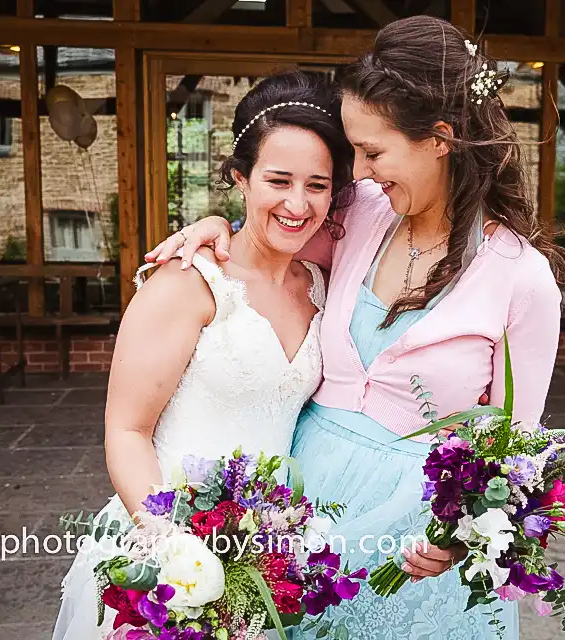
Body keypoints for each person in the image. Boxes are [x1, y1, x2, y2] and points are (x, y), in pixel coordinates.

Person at [146, 15, 565, 639]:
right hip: (306, 508)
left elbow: (515, 451)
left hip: (416, 545)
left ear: (441, 139)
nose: (361, 171)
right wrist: (212, 226)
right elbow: (265, 243)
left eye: (372, 152)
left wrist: (459, 541)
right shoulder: (360, 215)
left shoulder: (520, 277)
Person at [51, 70, 354, 640]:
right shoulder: (185, 284)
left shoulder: (320, 283)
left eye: (317, 185)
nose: (297, 203)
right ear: (240, 178)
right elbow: (127, 432)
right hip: (167, 540)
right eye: (278, 180)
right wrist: (175, 553)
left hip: (268, 550)